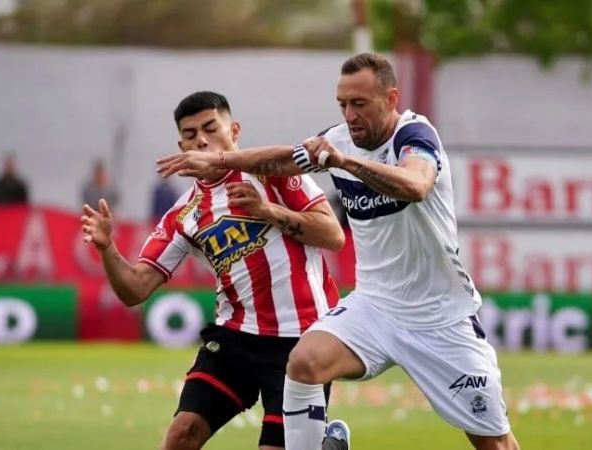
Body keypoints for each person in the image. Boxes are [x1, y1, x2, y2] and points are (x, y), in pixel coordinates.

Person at [157, 53, 519, 450]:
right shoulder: (339, 138)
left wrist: (345, 162)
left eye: (359, 104)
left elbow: (415, 185)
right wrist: (220, 159)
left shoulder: (414, 135)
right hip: (375, 307)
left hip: (440, 317)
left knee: (494, 443)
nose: (350, 115)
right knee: (304, 362)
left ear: (391, 99)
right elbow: (283, 159)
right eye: (343, 104)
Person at [81, 91, 351, 450]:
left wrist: (268, 212)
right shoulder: (183, 215)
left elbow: (334, 235)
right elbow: (135, 289)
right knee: (182, 434)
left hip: (301, 340)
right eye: (190, 134)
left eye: (211, 128)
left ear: (234, 131)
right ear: (182, 147)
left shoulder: (273, 172)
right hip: (235, 337)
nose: (202, 140)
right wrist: (107, 247)